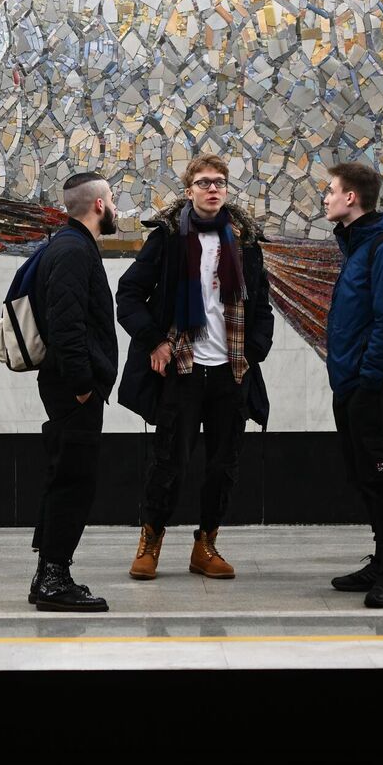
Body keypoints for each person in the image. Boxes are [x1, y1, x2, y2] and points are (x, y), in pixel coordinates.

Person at [114, 154, 276, 581]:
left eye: (219, 182)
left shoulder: (244, 241)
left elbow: (262, 305)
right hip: (183, 368)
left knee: (224, 465)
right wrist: (154, 341)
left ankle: (206, 545)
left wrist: (256, 350)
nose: (213, 189)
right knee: (169, 462)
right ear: (189, 191)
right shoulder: (168, 238)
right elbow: (128, 294)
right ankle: (150, 542)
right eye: (204, 182)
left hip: (232, 370)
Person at [320, 162, 383, 609]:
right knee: (365, 475)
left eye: (330, 191)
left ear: (351, 198)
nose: (324, 199)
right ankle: (380, 562)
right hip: (352, 383)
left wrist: (370, 376)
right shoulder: (358, 245)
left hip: (372, 386)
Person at [25, 172, 121, 612]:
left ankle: (48, 573)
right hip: (72, 388)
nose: (116, 208)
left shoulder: (70, 246)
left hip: (71, 386)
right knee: (73, 482)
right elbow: (67, 325)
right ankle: (53, 578)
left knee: (68, 476)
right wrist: (84, 385)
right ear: (99, 205)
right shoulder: (71, 250)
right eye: (113, 199)